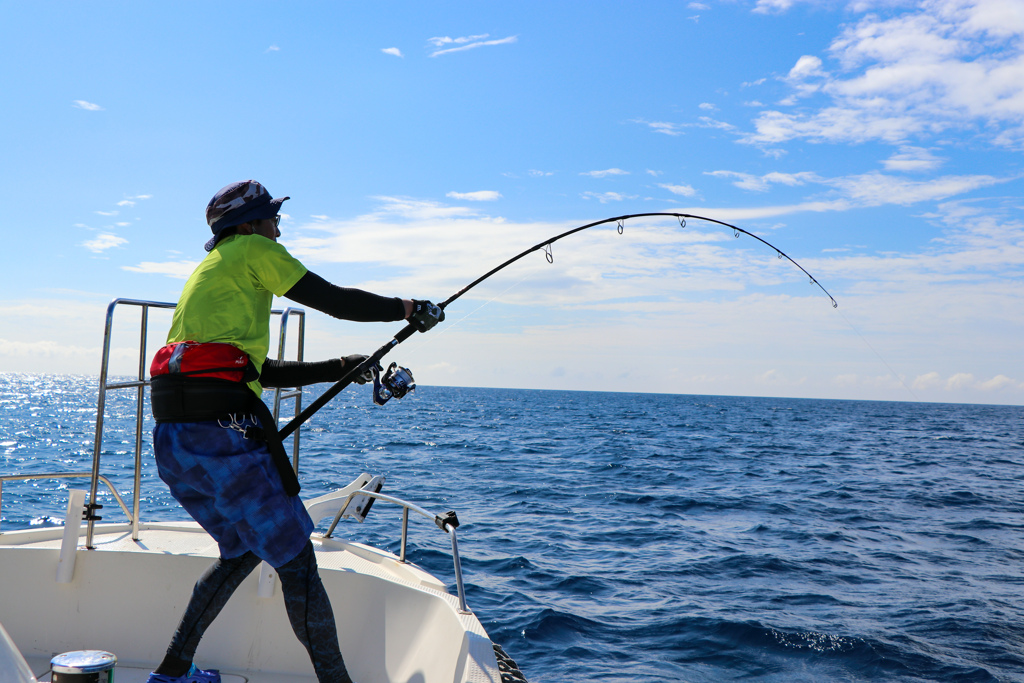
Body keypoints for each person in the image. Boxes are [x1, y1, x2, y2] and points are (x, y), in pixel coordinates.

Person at [146, 180, 443, 683]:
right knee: (298, 563)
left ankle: (171, 673)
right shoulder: (253, 249)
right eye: (272, 218)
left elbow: (255, 370)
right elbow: (332, 299)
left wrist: (339, 367)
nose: (278, 228)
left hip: (175, 438)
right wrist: (409, 309)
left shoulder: (210, 271)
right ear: (248, 225)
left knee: (241, 551)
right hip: (224, 432)